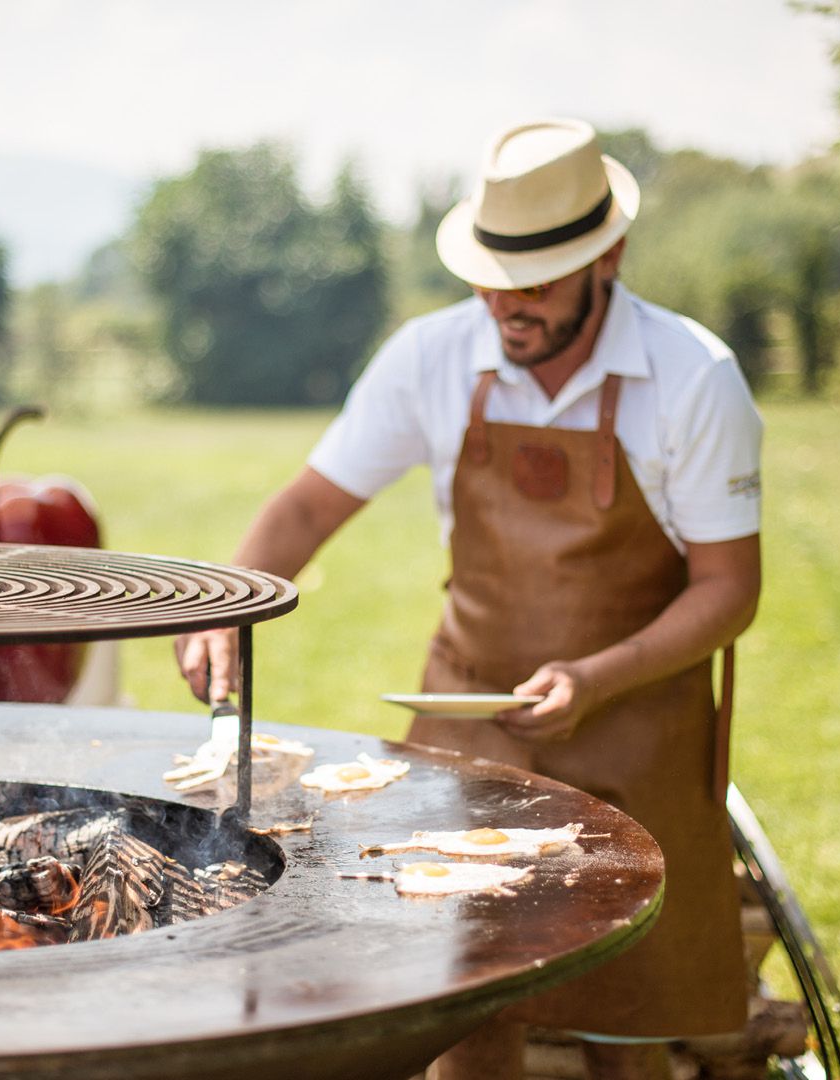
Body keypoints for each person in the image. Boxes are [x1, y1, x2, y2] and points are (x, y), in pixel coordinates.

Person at [175, 117, 762, 1080]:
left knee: (625, 1021)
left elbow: (730, 590)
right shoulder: (432, 355)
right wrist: (226, 605)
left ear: (607, 257)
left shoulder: (694, 378)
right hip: (468, 728)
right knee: (458, 1006)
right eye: (491, 275)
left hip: (639, 727)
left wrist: (599, 677)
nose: (505, 304)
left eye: (536, 281)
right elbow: (311, 504)